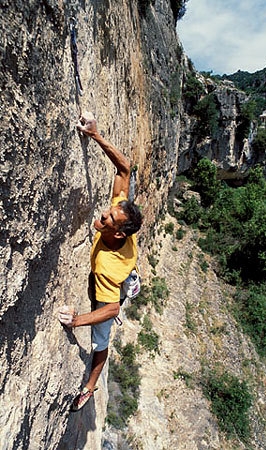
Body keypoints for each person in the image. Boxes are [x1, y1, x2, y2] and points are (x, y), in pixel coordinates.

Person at [58, 111, 143, 411]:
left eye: (108, 219)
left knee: (101, 343)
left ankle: (90, 387)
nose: (103, 214)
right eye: (109, 213)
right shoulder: (120, 211)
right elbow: (124, 168)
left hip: (118, 287)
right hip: (126, 268)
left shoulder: (108, 267)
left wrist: (77, 321)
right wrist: (95, 134)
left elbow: (110, 309)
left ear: (119, 234)